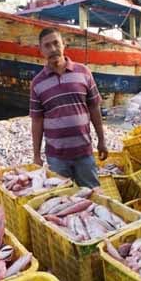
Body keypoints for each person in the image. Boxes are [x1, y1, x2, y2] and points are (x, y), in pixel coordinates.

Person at [30, 27, 108, 188]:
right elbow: (37, 121)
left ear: (64, 44)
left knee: (93, 195)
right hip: (56, 157)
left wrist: (102, 140)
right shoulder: (37, 83)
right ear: (41, 50)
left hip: (84, 152)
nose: (52, 49)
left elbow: (94, 108)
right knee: (63, 200)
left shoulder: (84, 72)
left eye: (56, 43)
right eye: (47, 46)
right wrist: (36, 155)